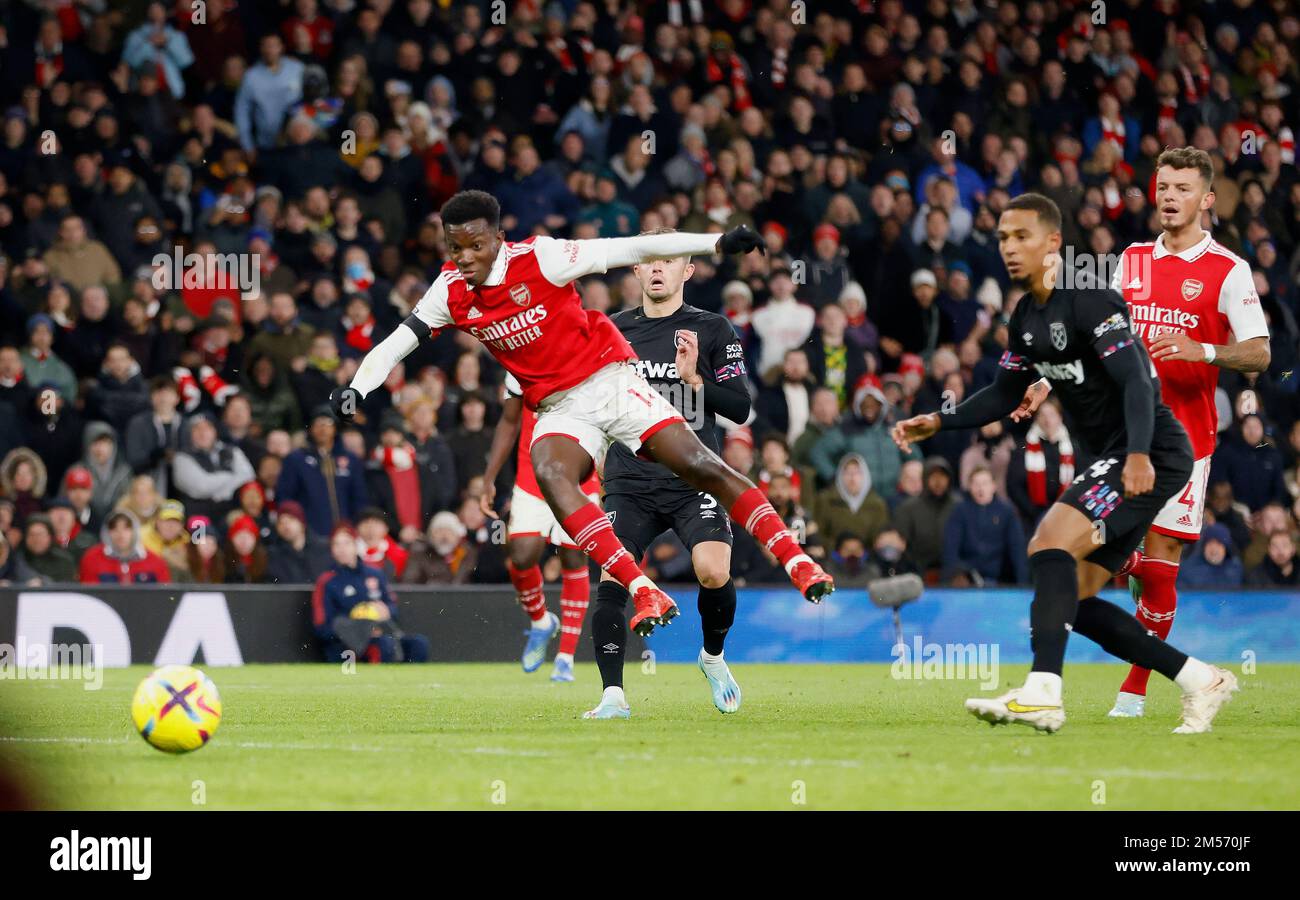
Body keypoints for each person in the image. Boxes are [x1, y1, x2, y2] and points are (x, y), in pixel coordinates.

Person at [334, 190, 833, 643]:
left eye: (475, 246)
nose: (464, 257)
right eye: (454, 247)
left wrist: (717, 242)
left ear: (499, 240)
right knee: (551, 472)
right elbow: (394, 345)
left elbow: (630, 250)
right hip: (558, 407)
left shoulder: (544, 257)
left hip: (609, 382)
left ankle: (796, 559)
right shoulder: (447, 292)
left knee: (698, 464)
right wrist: (356, 388)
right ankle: (642, 589)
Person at [893, 192, 1236, 735]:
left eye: (1022, 236)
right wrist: (940, 420)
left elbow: (1137, 382)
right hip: (1116, 457)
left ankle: (1043, 692)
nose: (1009, 248)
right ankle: (1200, 679)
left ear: (1053, 243)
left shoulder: (1090, 301)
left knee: (1047, 541)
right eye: (1003, 237)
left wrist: (1141, 454)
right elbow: (1004, 392)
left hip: (1148, 451)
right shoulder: (1026, 316)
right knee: (1073, 596)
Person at [1018, 148, 1272, 719]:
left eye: (1183, 188)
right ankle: (1048, 684)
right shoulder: (1129, 261)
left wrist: (1201, 349)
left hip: (1187, 443)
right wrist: (1044, 380)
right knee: (1076, 562)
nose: (1168, 196)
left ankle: (1134, 691)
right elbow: (1090, 336)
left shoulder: (1227, 269)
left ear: (1207, 199)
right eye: (1162, 186)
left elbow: (1260, 351)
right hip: (1121, 441)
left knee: (1158, 567)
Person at [581, 231, 754, 718]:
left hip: (693, 478)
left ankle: (712, 656)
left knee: (713, 570)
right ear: (635, 269)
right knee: (614, 576)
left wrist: (695, 379)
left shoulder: (712, 328)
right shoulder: (609, 331)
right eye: (649, 261)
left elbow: (740, 408)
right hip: (629, 482)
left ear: (687, 270)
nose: (658, 269)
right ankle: (613, 695)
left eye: (670, 261)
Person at [480, 372, 597, 680]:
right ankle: (541, 621)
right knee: (521, 555)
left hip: (579, 474)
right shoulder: (521, 355)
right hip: (531, 475)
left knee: (573, 556)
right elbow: (509, 421)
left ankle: (566, 658)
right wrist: (489, 477)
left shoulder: (589, 354)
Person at [312, 524, 430, 663]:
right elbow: (322, 626)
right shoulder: (327, 581)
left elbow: (392, 606)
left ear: (356, 545)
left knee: (419, 644)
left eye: (346, 543)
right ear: (331, 549)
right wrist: (360, 626)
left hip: (382, 633)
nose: (342, 549)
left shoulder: (375, 574)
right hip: (347, 644)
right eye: (336, 544)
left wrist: (386, 611)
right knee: (384, 646)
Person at [942, 466, 1029, 585]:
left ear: (993, 486)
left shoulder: (1006, 511)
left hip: (998, 578)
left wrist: (1023, 584)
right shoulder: (959, 511)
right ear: (970, 487)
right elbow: (950, 547)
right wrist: (949, 579)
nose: (980, 488)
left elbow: (1017, 548)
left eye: (985, 483)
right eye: (976, 484)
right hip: (968, 578)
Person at [78, 510, 171, 584]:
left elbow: (165, 597)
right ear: (106, 531)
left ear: (135, 530)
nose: (120, 533)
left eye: (126, 527)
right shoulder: (92, 559)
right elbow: (89, 598)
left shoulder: (155, 562)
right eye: (114, 527)